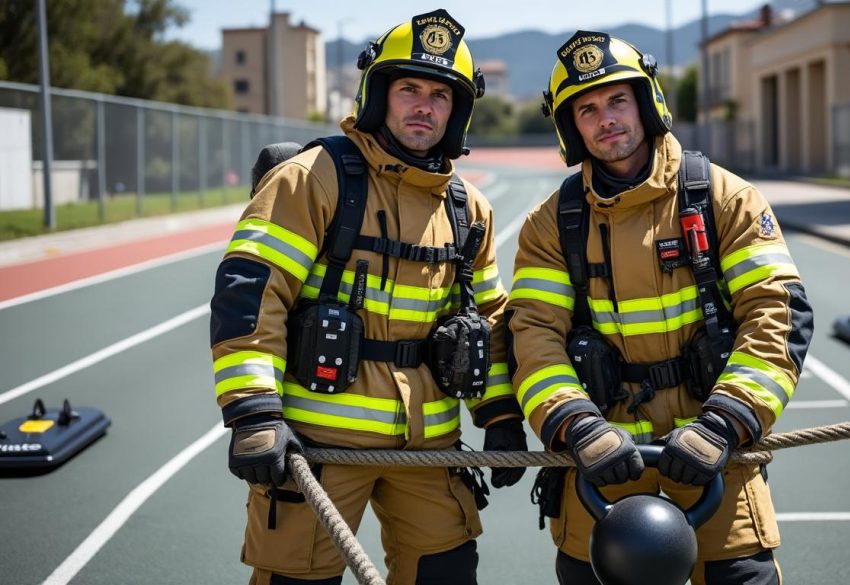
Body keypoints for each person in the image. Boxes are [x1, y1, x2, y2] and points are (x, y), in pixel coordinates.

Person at [209, 10, 527, 585]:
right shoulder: (312, 179)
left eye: (440, 94)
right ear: (378, 95)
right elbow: (252, 293)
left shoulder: (468, 210)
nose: (424, 105)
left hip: (430, 449)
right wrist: (253, 412)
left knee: (448, 575)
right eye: (409, 88)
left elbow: (490, 323)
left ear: (457, 111)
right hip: (318, 449)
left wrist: (499, 415)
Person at [507, 31, 813, 585]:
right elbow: (533, 337)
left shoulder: (726, 199)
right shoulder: (549, 226)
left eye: (618, 100)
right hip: (600, 469)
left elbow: (778, 315)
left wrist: (723, 426)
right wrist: (577, 425)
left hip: (718, 464)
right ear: (570, 128)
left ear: (646, 103)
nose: (607, 119)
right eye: (588, 109)